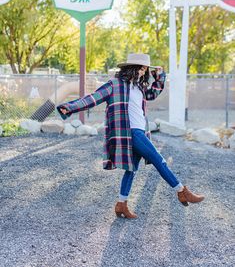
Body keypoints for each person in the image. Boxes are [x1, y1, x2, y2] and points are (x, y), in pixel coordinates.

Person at [57, 53, 204, 219]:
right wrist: (69, 107)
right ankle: (181, 191)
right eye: (141, 68)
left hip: (140, 131)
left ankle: (121, 205)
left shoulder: (139, 88)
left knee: (131, 169)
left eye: (146, 69)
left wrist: (160, 76)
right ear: (132, 68)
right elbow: (93, 98)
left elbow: (153, 94)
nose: (143, 72)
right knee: (159, 160)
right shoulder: (115, 84)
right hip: (130, 132)